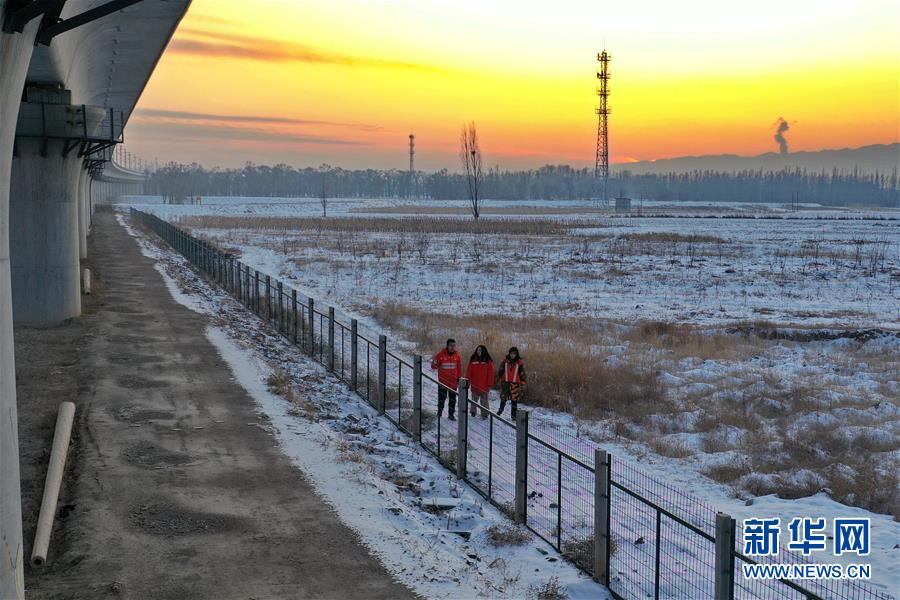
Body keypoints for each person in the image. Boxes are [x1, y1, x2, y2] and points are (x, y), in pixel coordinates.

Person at [431, 338, 462, 420]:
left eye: (454, 345)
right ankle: (439, 413)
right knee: (442, 399)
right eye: (451, 345)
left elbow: (459, 368)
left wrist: (459, 378)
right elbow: (433, 366)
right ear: (447, 346)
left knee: (452, 400)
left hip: (453, 382)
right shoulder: (440, 355)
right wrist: (434, 362)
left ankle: (451, 415)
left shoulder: (457, 355)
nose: (453, 347)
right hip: (443, 382)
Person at [465, 345, 494, 418]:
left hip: (484, 385)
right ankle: (473, 412)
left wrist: (489, 384)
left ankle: (484, 414)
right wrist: (467, 382)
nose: (478, 351)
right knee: (474, 400)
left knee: (484, 401)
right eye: (477, 350)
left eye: (480, 350)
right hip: (475, 384)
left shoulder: (488, 361)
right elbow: (469, 372)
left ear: (483, 351)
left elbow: (491, 373)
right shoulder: (473, 360)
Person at [497, 346, 526, 418]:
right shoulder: (504, 362)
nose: (512, 355)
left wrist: (523, 382)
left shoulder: (519, 363)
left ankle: (513, 416)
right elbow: (500, 370)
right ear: (509, 353)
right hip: (505, 383)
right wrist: (500, 379)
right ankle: (500, 412)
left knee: (514, 400)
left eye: (514, 354)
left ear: (516, 354)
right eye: (511, 353)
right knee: (503, 398)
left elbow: (522, 373)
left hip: (515, 384)